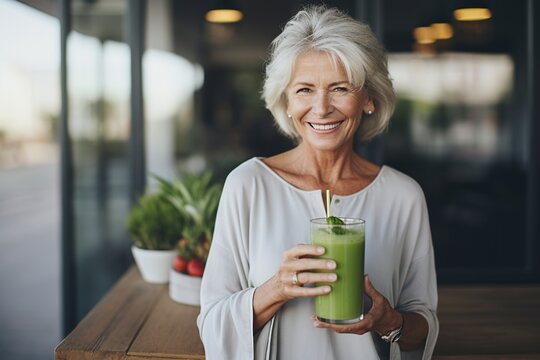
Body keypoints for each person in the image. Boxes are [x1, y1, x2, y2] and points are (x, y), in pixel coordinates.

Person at [197, 5, 438, 360]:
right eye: (305, 90)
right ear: (287, 101)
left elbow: (424, 329)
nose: (321, 108)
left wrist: (390, 322)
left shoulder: (404, 196)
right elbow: (212, 325)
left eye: (340, 88)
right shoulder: (248, 185)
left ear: (368, 99)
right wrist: (277, 288)